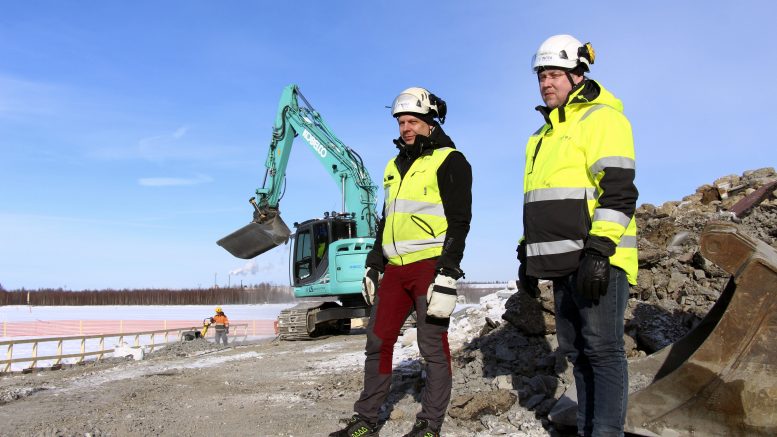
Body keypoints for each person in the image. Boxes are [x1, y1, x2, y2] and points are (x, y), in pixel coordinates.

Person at [329, 87, 472, 437]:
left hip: (429, 266)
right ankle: (366, 419)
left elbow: (460, 220)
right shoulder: (394, 165)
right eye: (401, 121)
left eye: (413, 121)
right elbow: (386, 217)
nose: (406, 128)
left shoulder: (450, 160)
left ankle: (429, 425)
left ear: (429, 121)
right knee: (377, 340)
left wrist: (448, 271)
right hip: (395, 268)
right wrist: (374, 262)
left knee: (431, 346)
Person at [517, 35, 638, 437]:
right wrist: (526, 255)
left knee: (603, 351)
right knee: (577, 354)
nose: (545, 83)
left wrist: (601, 250)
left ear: (576, 74)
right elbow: (539, 204)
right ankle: (588, 430)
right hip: (560, 261)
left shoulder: (603, 119)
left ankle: (606, 433)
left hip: (598, 258)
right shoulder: (541, 137)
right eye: (541, 76)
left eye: (553, 75)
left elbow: (619, 190)